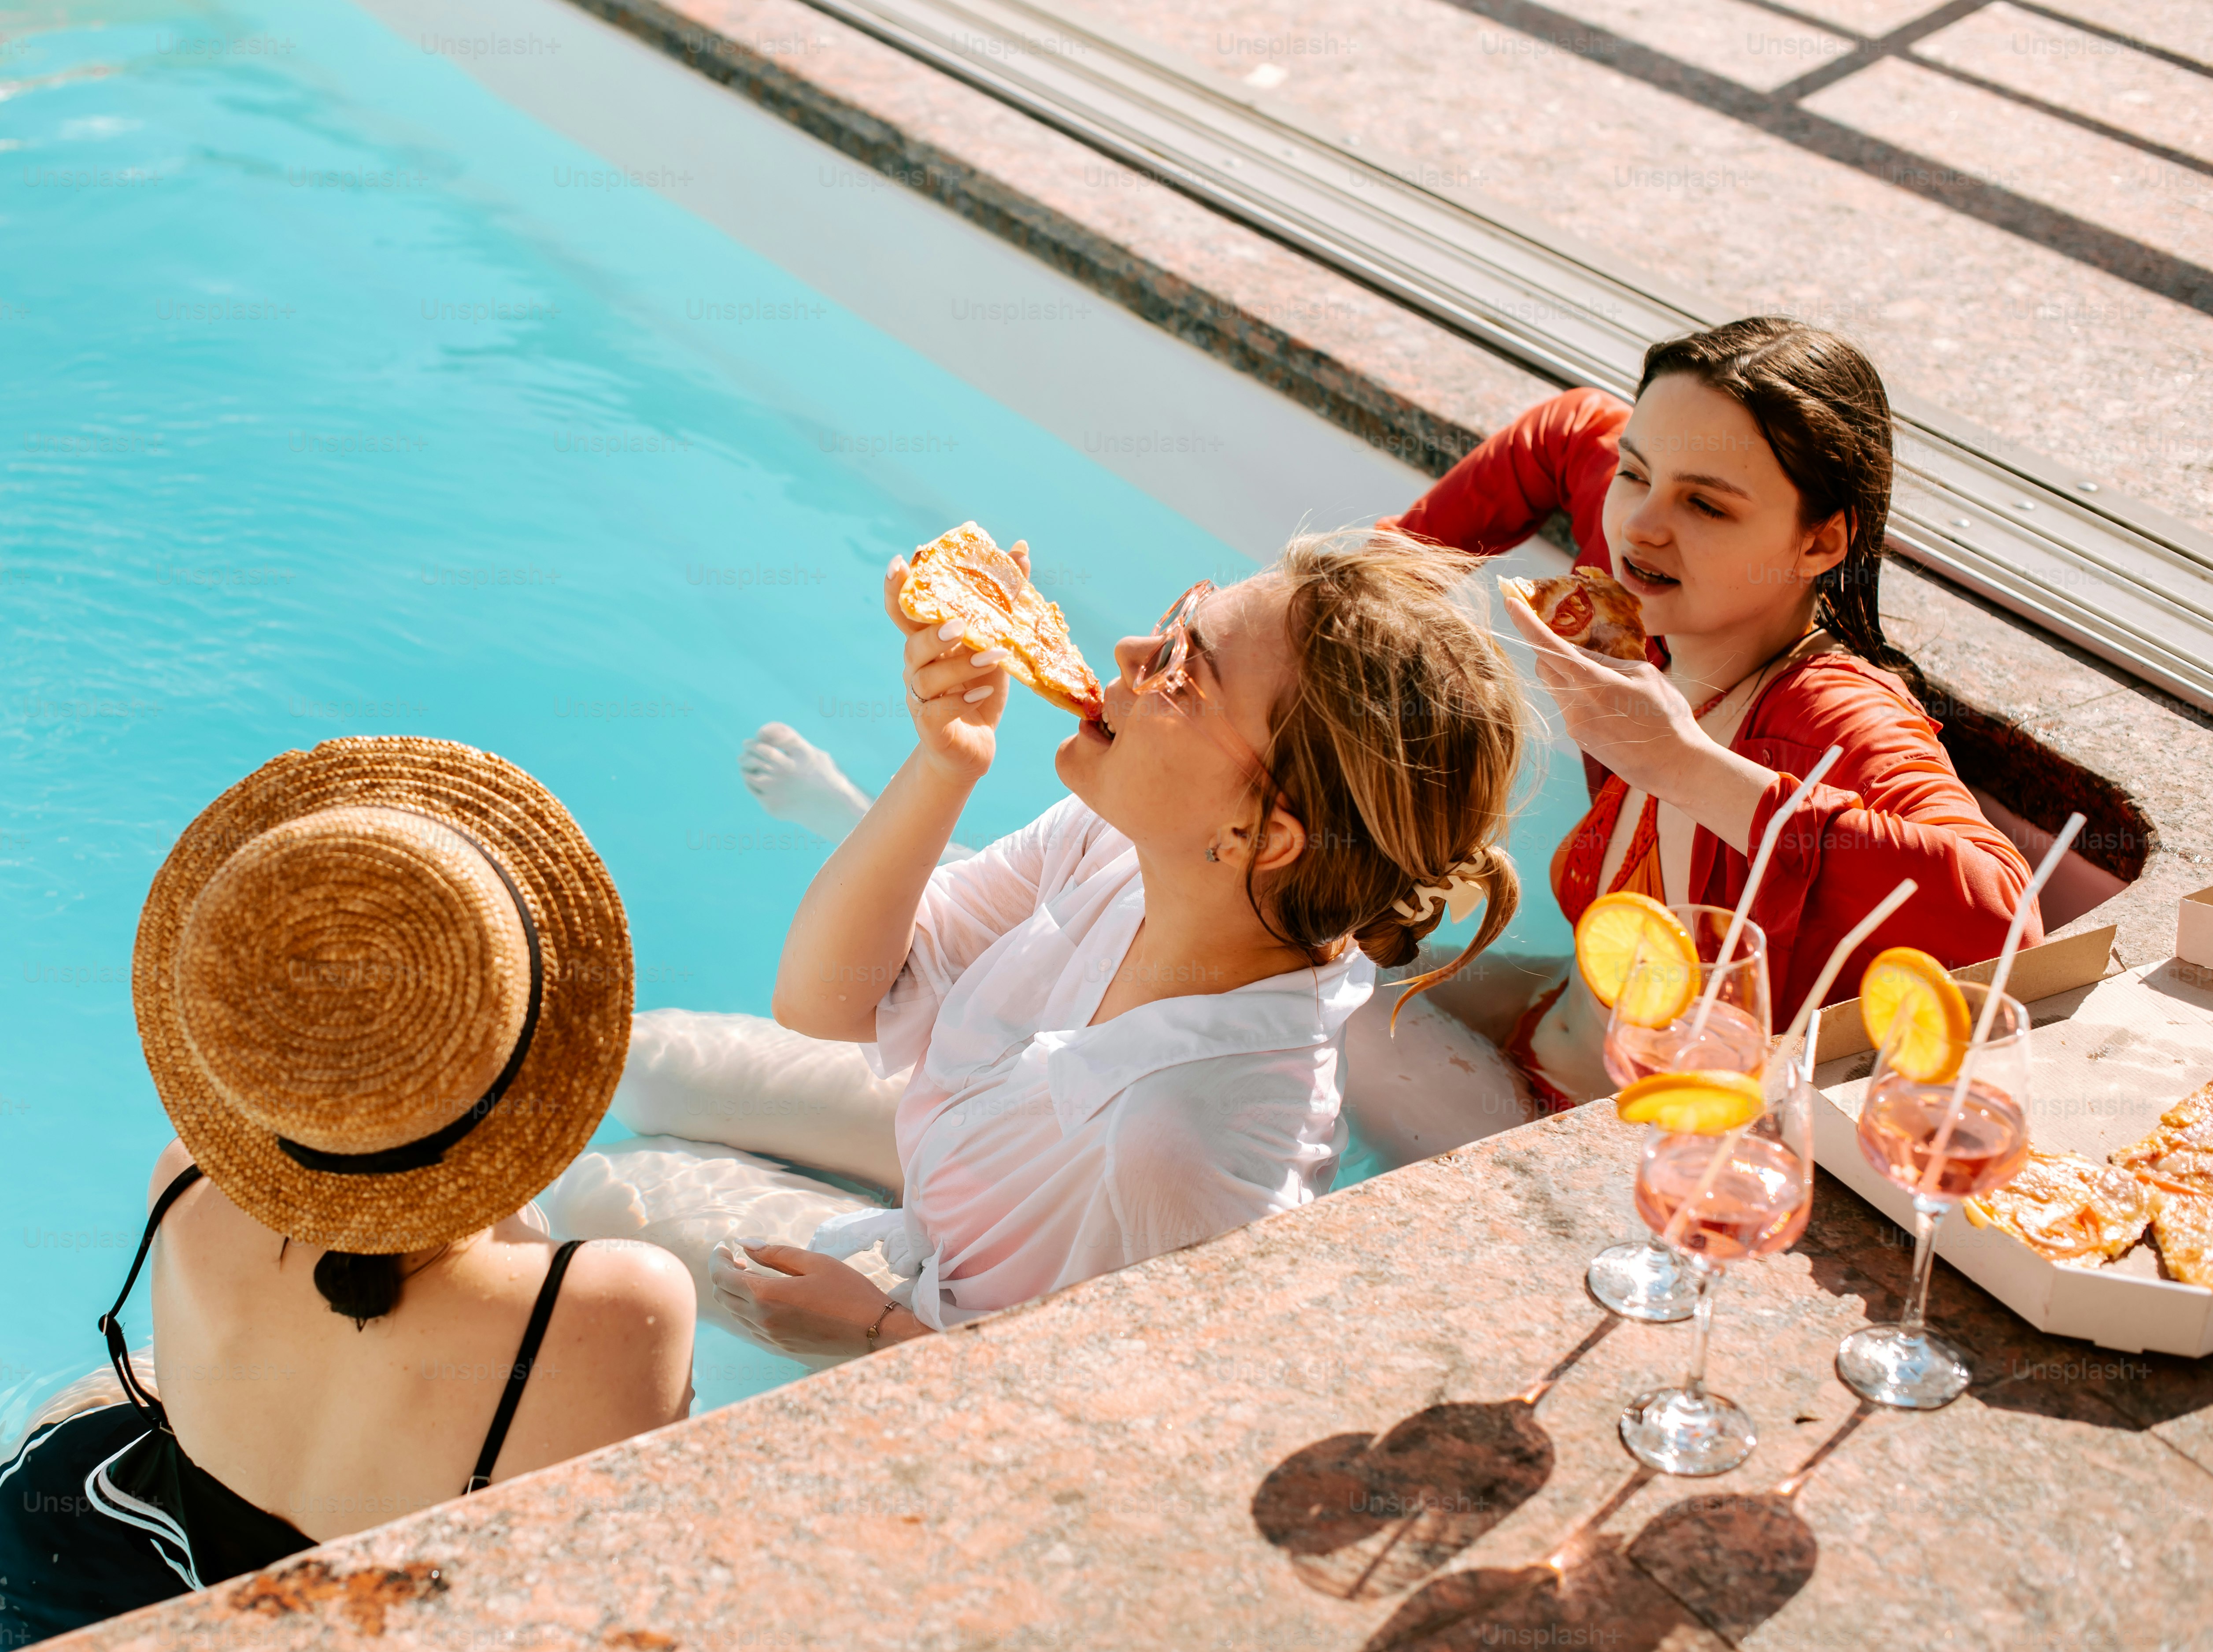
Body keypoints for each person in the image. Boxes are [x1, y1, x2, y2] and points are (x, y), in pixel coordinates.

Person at [544, 529, 1528, 1361]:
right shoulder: (1111, 837)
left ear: (1261, 835)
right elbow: (826, 1002)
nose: (1134, 649)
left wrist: (879, 1335)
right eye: (1181, 616)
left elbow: (1140, 1404)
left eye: (1187, 670)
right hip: (962, 1143)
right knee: (636, 1059)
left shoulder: (1190, 1139)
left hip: (941, 1316)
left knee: (595, 1194)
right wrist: (943, 764)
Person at [0, 737, 694, 1652]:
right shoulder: (609, 1301)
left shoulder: (185, 1177)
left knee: (127, 1387)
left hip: (63, 1565)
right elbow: (607, 1587)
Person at [1342, 317, 2037, 1160]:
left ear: (1821, 540)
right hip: (1548, 1020)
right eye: (1637, 474)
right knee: (1297, 981)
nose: (1642, 525)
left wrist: (1679, 763)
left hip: (1629, 1145)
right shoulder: (1650, 610)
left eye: (1706, 503)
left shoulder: (1834, 716)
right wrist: (1364, 599)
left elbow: (2006, 925)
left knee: (1325, 1030)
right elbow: (1566, 436)